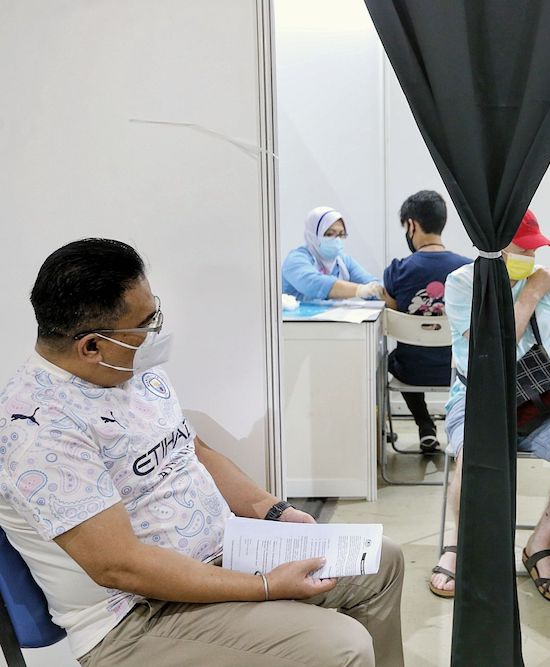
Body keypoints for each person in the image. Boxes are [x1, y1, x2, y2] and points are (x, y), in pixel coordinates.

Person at [0, 239, 405, 667]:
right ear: (91, 346)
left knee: (381, 561)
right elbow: (121, 567)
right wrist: (266, 585)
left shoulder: (129, 371)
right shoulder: (37, 430)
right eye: (145, 322)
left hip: (223, 554)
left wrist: (274, 511)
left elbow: (191, 450)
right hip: (138, 616)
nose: (155, 329)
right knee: (343, 647)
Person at [429, 210, 550, 601]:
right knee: (473, 453)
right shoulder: (463, 284)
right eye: (522, 247)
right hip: (479, 400)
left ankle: (539, 543)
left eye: (535, 247)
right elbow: (490, 352)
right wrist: (530, 293)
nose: (531, 255)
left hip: (542, 403)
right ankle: (461, 543)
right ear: (494, 248)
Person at [382, 190, 472, 452]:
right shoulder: (469, 270)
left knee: (393, 359)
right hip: (458, 372)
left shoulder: (397, 270)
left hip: (412, 371)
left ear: (411, 224)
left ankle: (424, 424)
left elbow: (392, 310)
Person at [282, 206, 386, 302]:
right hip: (296, 321)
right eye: (329, 234)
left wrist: (378, 291)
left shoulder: (343, 262)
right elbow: (315, 284)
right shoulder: (295, 260)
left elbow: (371, 284)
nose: (336, 240)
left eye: (341, 234)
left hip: (333, 321)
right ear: (313, 235)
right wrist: (359, 290)